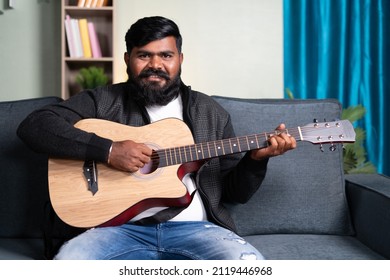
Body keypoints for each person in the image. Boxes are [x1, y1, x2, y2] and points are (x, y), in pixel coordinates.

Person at [17, 16, 296, 260]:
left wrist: (256, 161)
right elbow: (35, 125)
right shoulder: (102, 101)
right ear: (127, 59)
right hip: (113, 230)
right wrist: (109, 150)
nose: (155, 65)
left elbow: (236, 194)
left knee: (248, 266)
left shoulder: (211, 113)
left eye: (166, 55)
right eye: (144, 55)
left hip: (197, 229)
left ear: (180, 60)